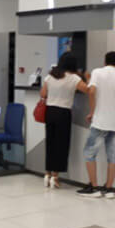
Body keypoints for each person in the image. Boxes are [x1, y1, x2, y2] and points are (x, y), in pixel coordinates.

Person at [77, 52, 115, 199]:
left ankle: (94, 188)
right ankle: (109, 189)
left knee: (89, 153)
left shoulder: (97, 72)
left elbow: (91, 91)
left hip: (100, 121)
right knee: (112, 155)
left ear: (104, 61)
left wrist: (92, 112)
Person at [40, 52, 89, 188]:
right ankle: (55, 177)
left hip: (50, 111)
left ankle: (47, 174)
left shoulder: (50, 76)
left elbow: (43, 93)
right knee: (61, 145)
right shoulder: (73, 78)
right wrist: (87, 78)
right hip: (63, 113)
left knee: (50, 142)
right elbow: (88, 90)